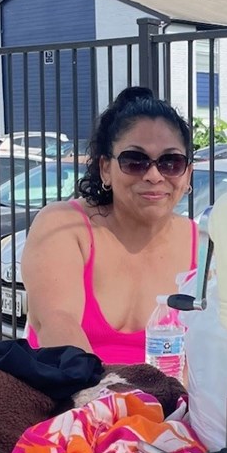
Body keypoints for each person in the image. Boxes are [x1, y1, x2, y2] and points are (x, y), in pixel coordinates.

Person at [21, 87, 198, 364]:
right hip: (73, 398)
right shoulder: (64, 227)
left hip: (174, 404)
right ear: (105, 168)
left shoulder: (205, 247)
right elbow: (57, 324)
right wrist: (112, 400)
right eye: (134, 161)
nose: (154, 175)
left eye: (171, 162)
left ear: (187, 173)